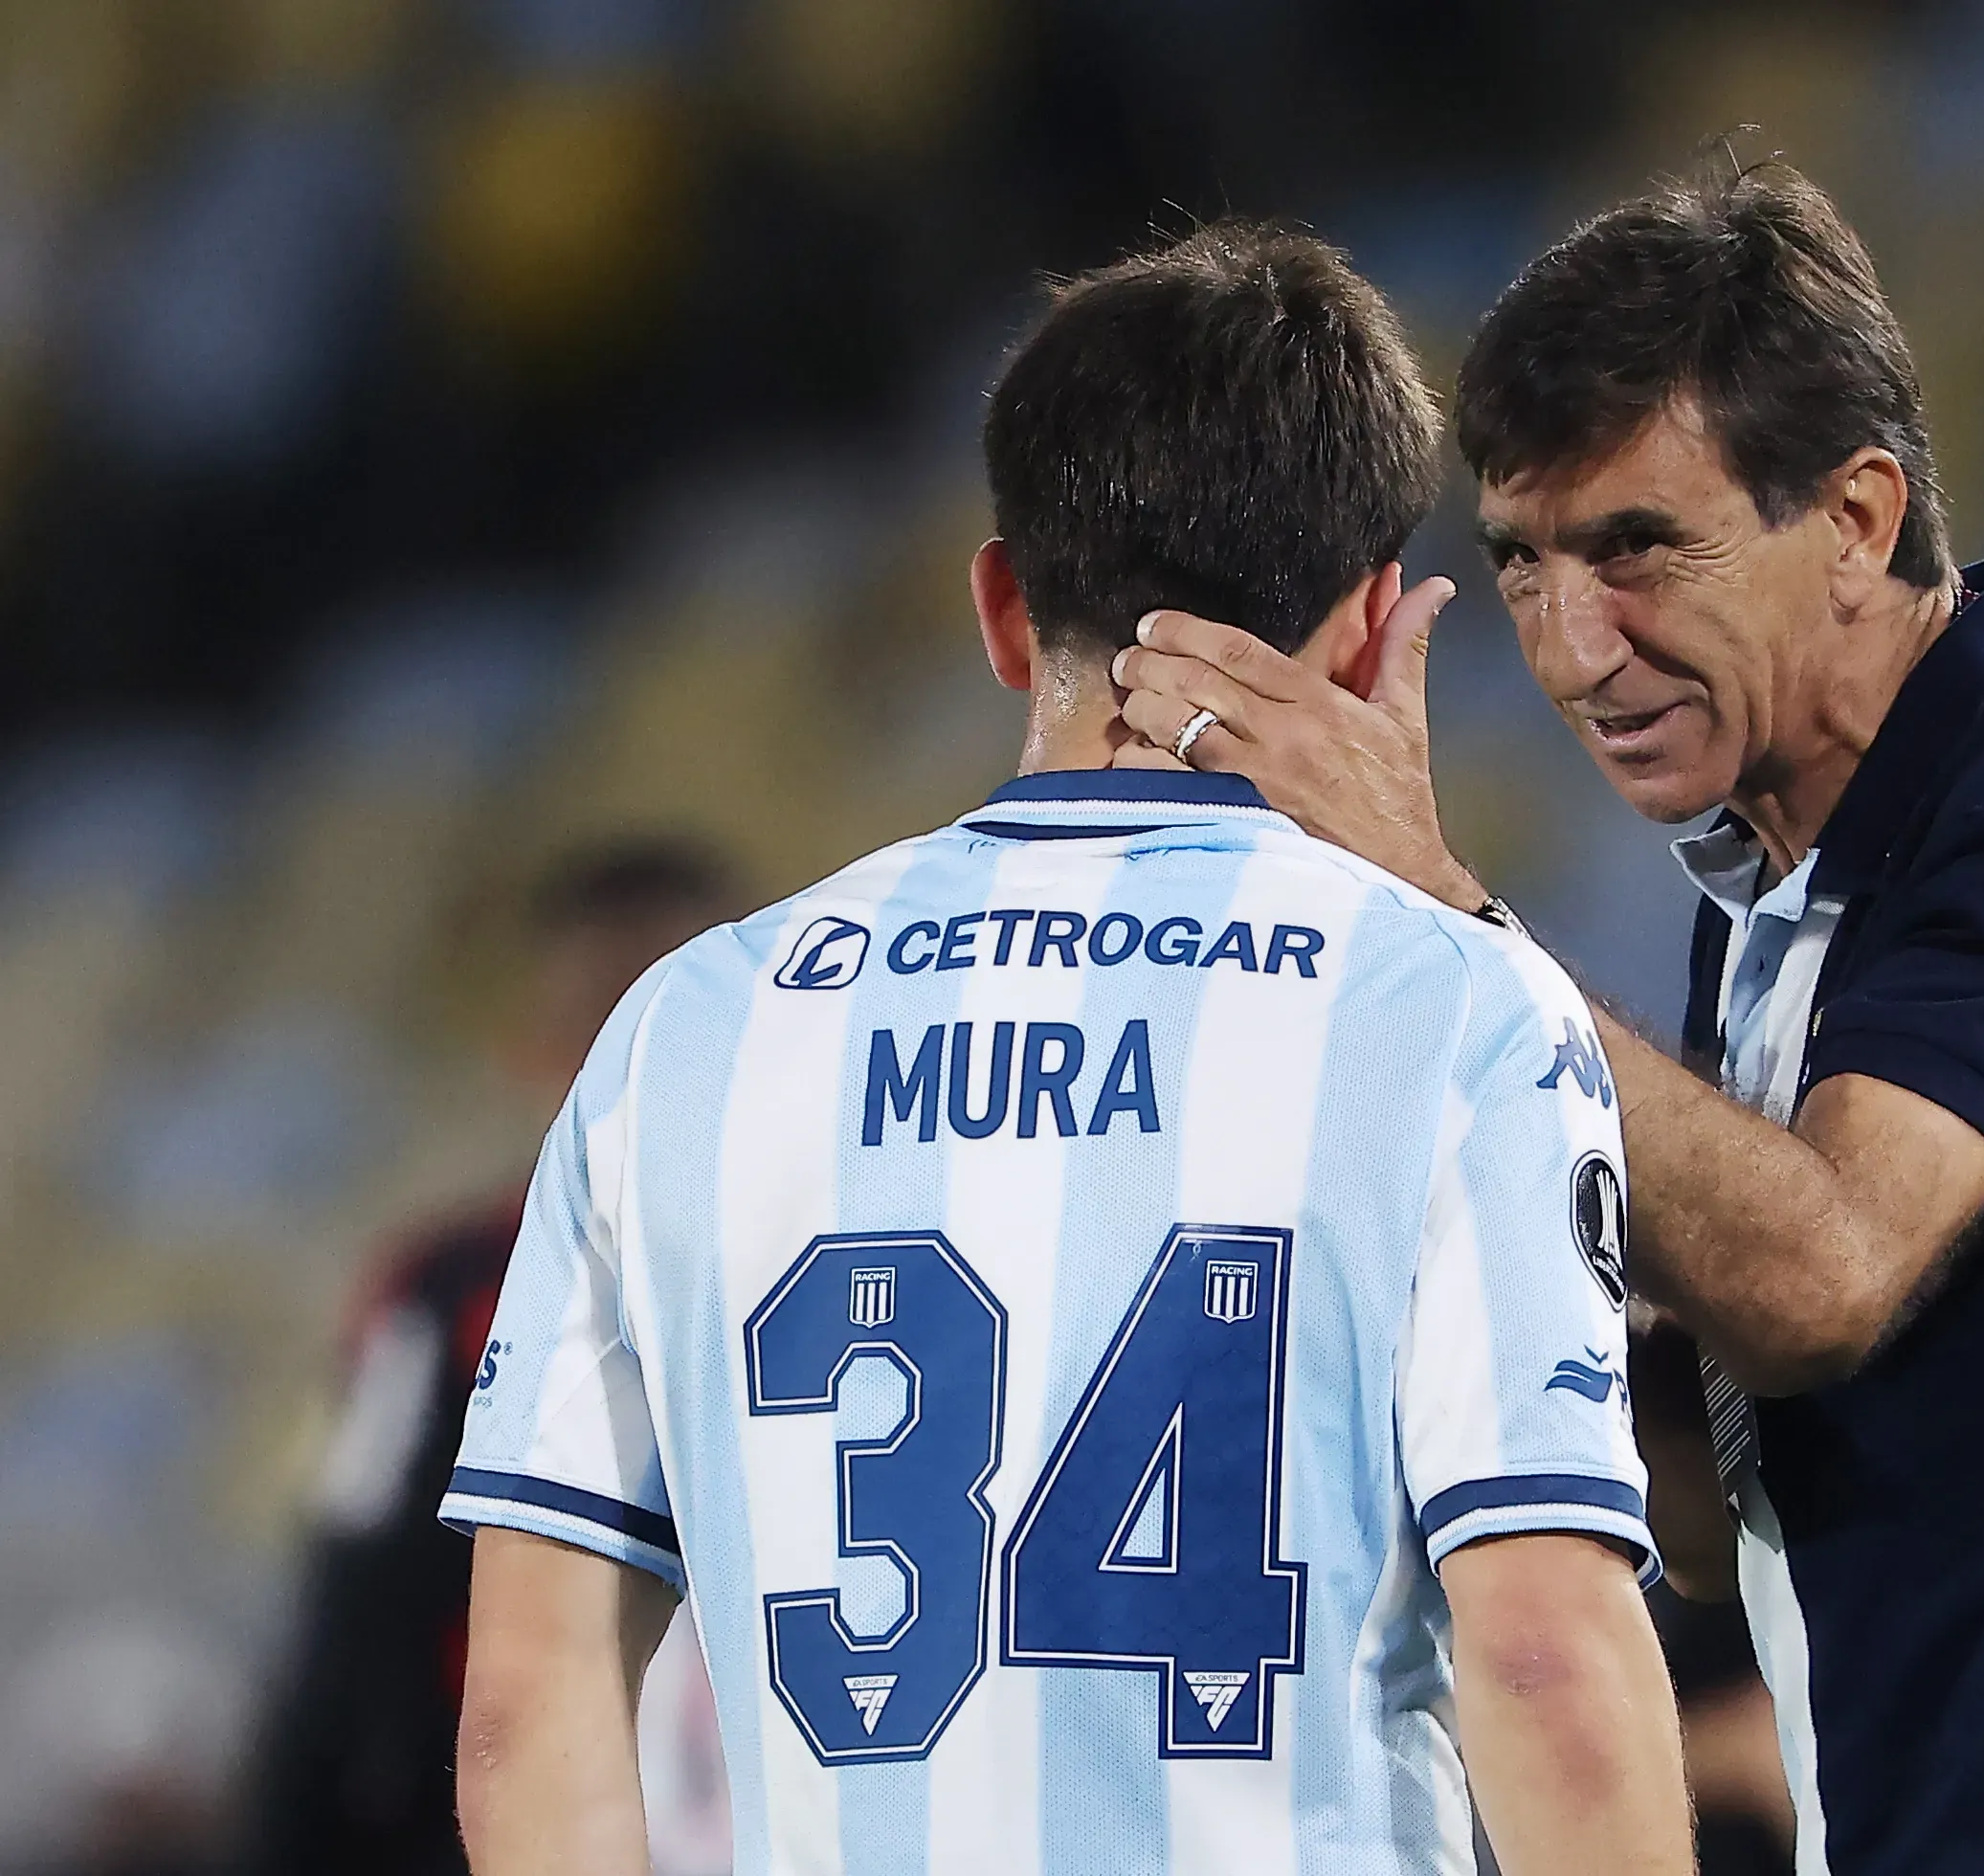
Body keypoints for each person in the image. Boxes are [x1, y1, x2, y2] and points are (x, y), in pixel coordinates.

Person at [1112, 155, 1984, 1876]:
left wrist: (1437, 918)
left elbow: (1821, 1273)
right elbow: (1712, 1527)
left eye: (1639, 552)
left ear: (1855, 516)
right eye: (1524, 566)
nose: (1574, 651)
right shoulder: (1787, 900)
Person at [440, 222, 1692, 1876]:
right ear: (1375, 621)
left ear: (1001, 607)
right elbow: (1543, 1661)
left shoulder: (696, 1027)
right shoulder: (1447, 1009)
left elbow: (526, 1713)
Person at [236, 840, 741, 1876]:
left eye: (682, 1015)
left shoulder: (863, 1253)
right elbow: (356, 1593)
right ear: (537, 1043)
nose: (647, 1058)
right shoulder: (451, 1288)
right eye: (608, 1018)